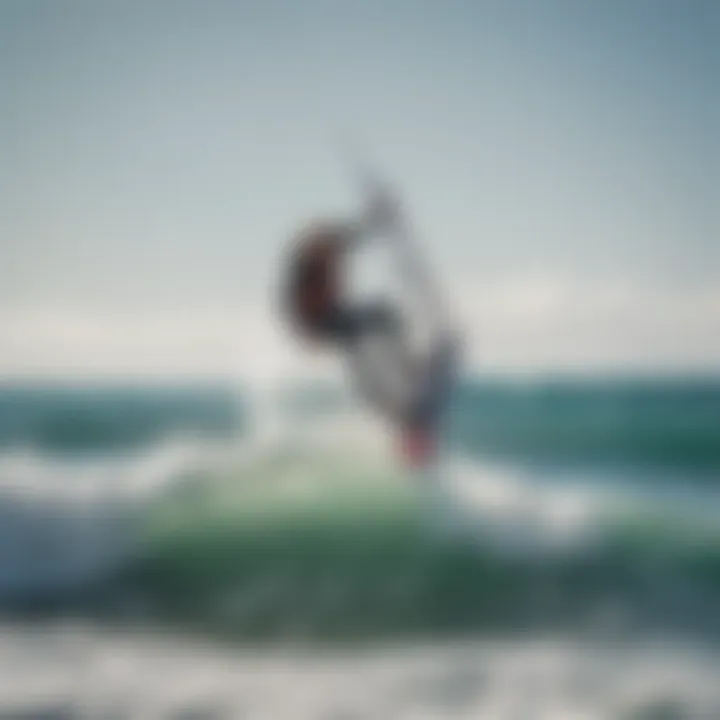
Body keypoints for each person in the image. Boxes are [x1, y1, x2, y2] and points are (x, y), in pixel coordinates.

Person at [281, 188, 459, 469]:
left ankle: (406, 379)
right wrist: (379, 215)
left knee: (383, 319)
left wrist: (379, 214)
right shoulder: (310, 262)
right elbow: (298, 306)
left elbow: (354, 235)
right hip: (318, 322)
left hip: (329, 317)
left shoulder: (326, 249)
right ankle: (405, 392)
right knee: (372, 327)